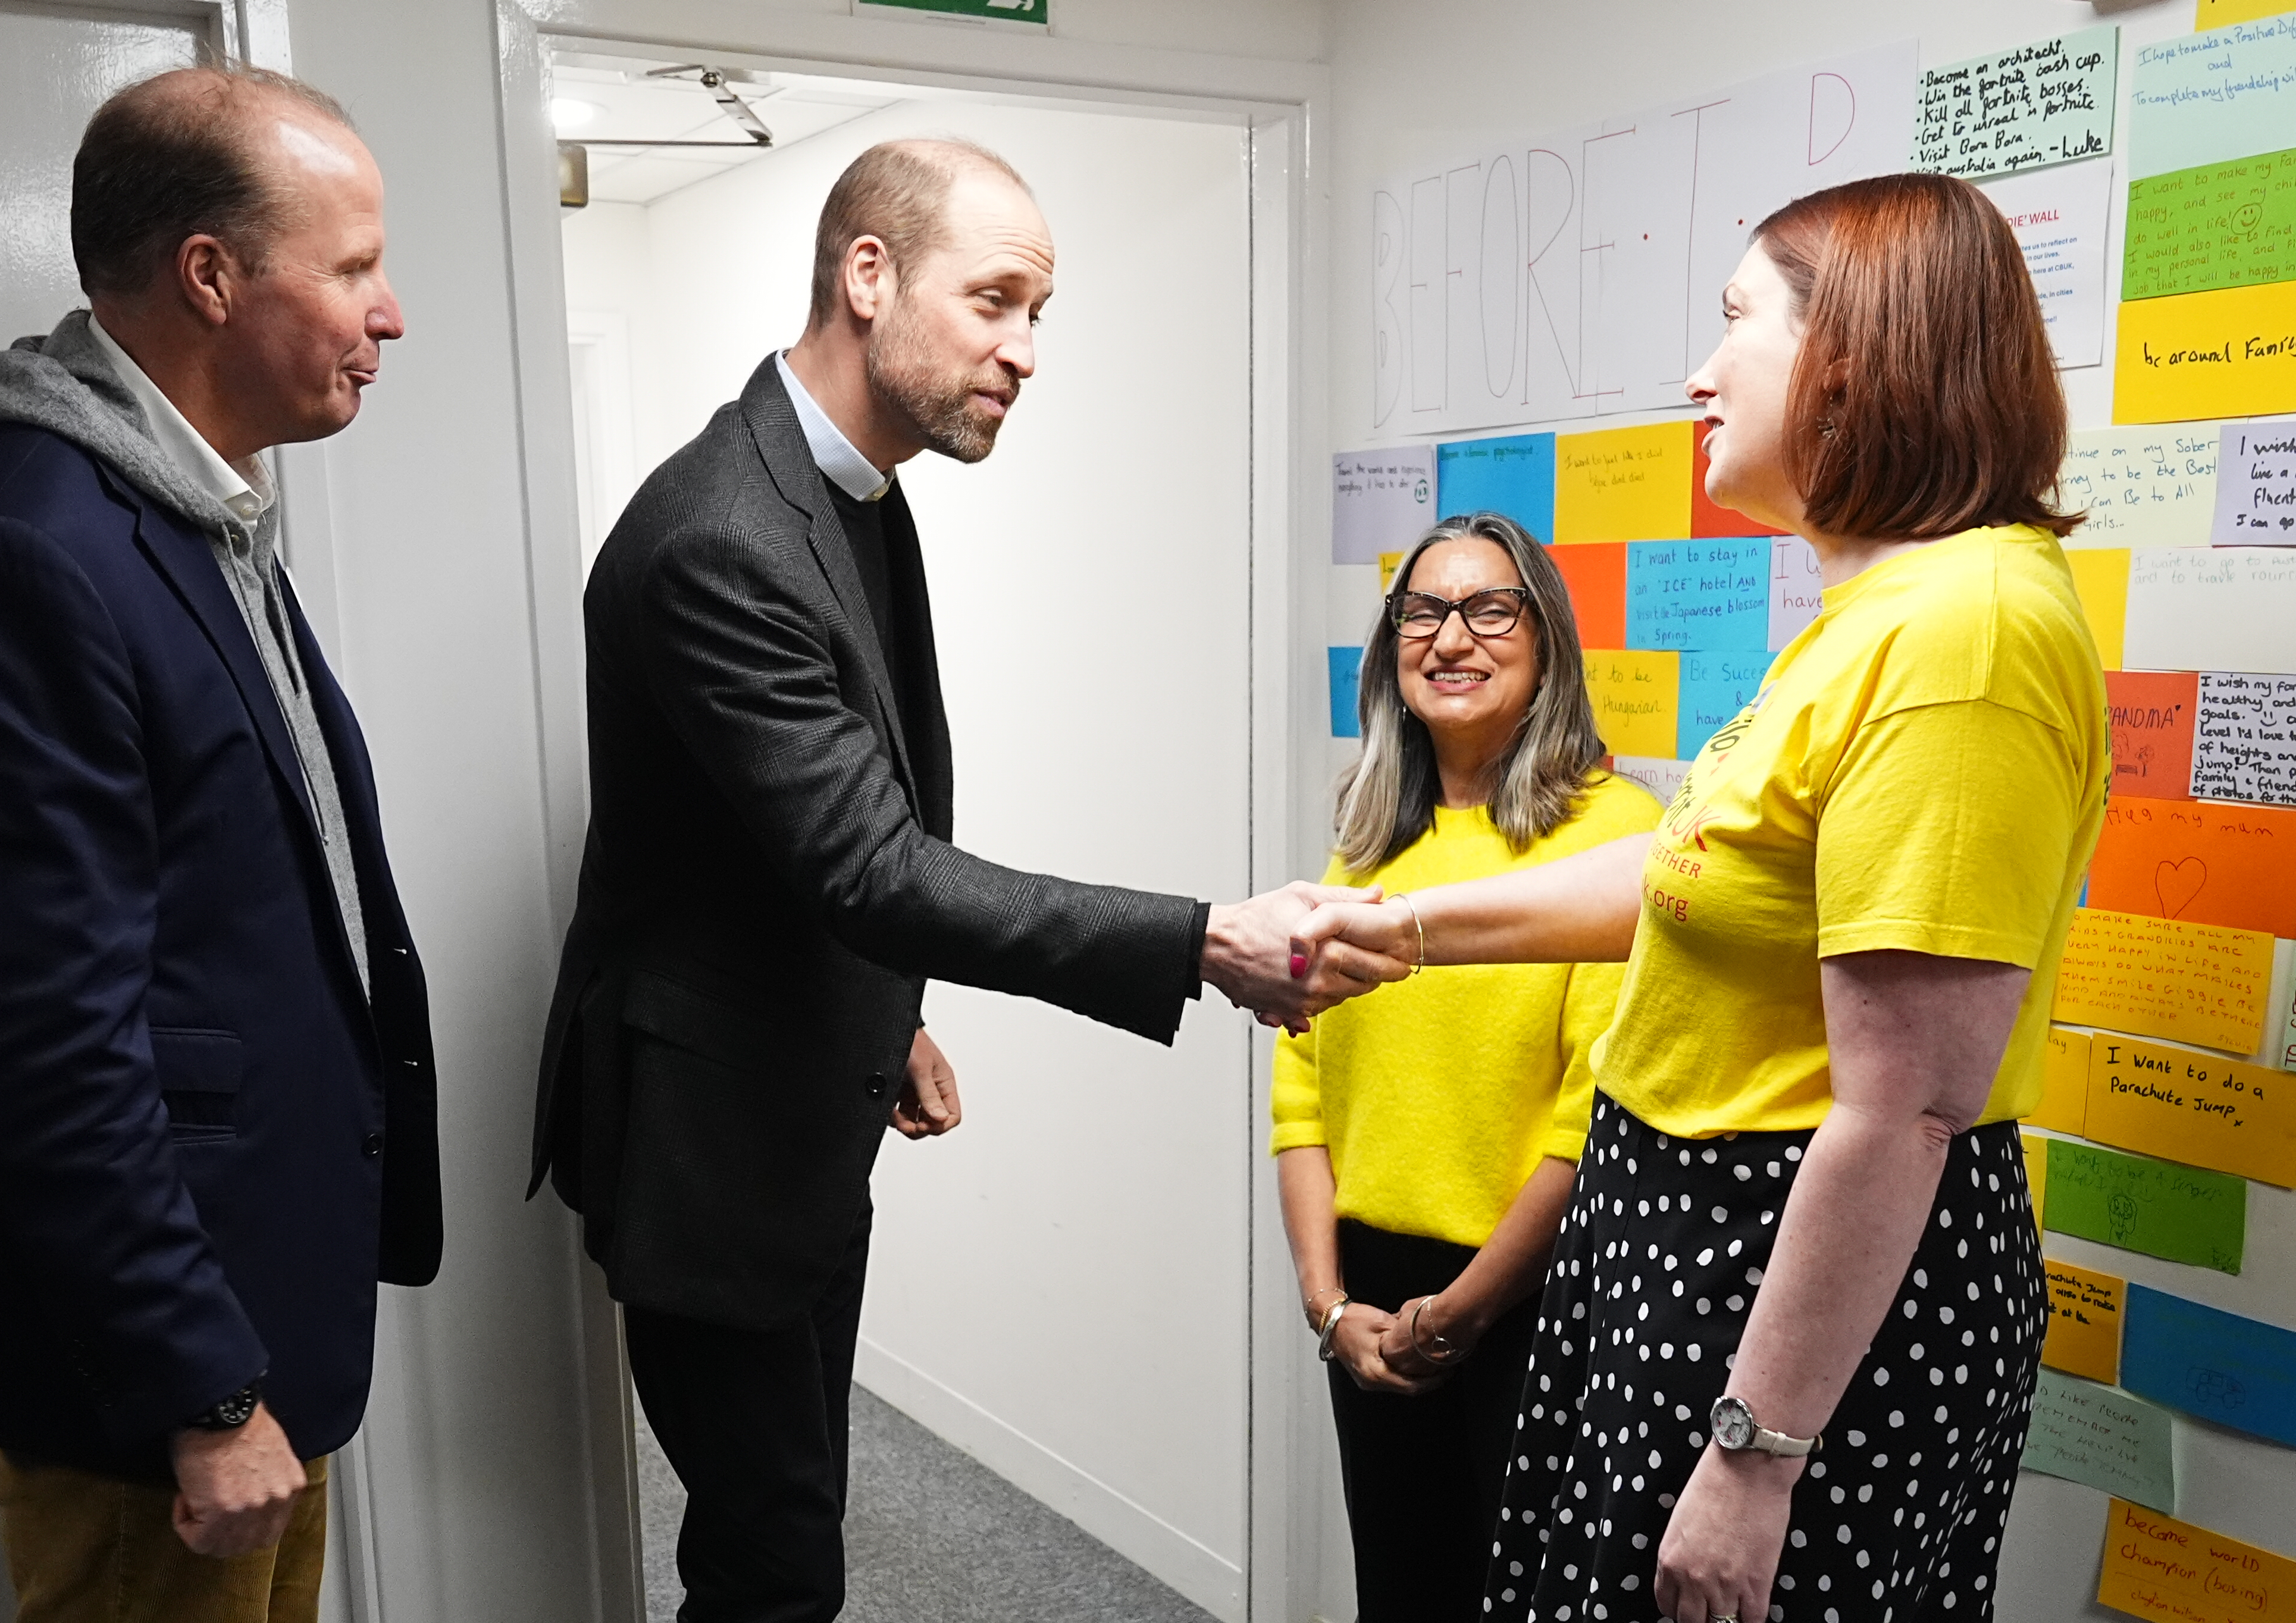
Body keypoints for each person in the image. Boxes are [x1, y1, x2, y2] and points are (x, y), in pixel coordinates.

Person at [528, 138, 1343, 1623]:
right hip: (707, 1144)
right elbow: (867, 861)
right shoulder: (720, 534)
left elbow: (795, 827)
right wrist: (1203, 938)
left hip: (798, 1093)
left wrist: (883, 1012)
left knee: (790, 1536)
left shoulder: (851, 488)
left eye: (1039, 313)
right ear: (868, 274)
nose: (1024, 350)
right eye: (995, 301)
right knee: (771, 1567)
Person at [1289, 172, 2104, 1623]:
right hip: (1692, 1257)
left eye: (1736, 321)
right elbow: (1691, 874)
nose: (1698, 372)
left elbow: (1903, 1109)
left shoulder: (1962, 637)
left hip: (1782, 1292)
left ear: (1850, 356)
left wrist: (1754, 1451)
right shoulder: (1873, 616)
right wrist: (1393, 928)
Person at [0, 65, 432, 1623]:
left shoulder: (186, 509)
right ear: (210, 275)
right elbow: (39, 1030)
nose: (388, 315)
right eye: (354, 268)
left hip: (249, 1314)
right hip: (156, 1377)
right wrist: (200, 1385)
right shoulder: (22, 544)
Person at [1273, 512, 1660, 1622]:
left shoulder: (1617, 838)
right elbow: (1301, 1090)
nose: (1451, 639)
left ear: (1547, 643)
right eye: (1424, 612)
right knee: (1398, 1593)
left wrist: (1459, 1315)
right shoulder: (1367, 840)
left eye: (1491, 610)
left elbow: (1593, 1123)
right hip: (1369, 1289)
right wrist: (1329, 1305)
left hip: (1534, 1296)